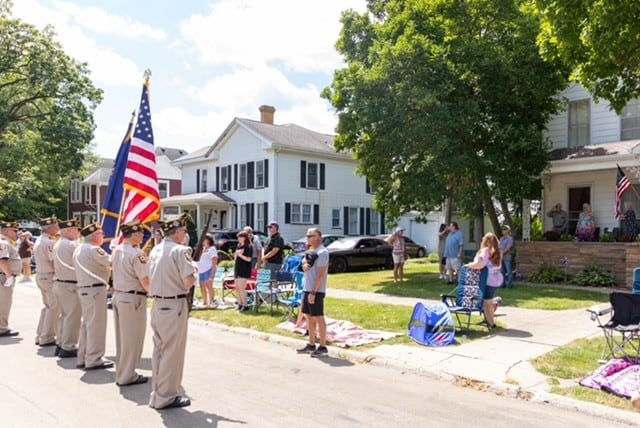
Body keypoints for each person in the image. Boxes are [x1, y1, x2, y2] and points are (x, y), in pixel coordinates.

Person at [148, 213, 197, 409]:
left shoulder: (155, 250)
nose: (185, 234)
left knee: (159, 350)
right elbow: (188, 281)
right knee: (172, 352)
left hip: (158, 303)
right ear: (177, 232)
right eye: (183, 230)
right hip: (174, 303)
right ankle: (166, 396)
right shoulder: (180, 250)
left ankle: (157, 392)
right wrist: (194, 267)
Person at [111, 220, 150, 386]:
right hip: (133, 297)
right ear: (134, 235)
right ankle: (128, 375)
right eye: (140, 233)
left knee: (122, 339)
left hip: (120, 295)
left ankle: (122, 372)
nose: (142, 235)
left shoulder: (118, 250)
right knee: (133, 339)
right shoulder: (137, 254)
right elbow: (145, 280)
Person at [73, 223, 112, 370]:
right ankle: (94, 359)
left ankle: (83, 356)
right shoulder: (95, 249)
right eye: (101, 233)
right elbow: (112, 262)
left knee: (87, 325)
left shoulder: (80, 248)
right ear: (94, 236)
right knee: (96, 326)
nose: (103, 236)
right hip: (95, 291)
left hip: (85, 289)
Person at [296, 227, 330, 357]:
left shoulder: (322, 252)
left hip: (316, 290)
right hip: (307, 288)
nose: (308, 238)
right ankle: (311, 344)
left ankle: (323, 346)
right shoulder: (311, 252)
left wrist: (314, 292)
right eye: (307, 236)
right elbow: (304, 267)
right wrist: (304, 266)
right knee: (308, 316)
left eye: (311, 235)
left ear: (319, 237)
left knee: (318, 317)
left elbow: (321, 275)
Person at [52, 219, 82, 358]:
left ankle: (61, 342)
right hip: (70, 284)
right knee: (72, 316)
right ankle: (68, 346)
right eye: (77, 230)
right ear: (69, 231)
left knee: (64, 316)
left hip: (60, 283)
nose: (79, 233)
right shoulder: (70, 245)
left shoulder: (59, 243)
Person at [33, 216, 60, 347]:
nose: (58, 229)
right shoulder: (50, 243)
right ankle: (47, 336)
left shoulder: (40, 240)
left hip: (41, 275)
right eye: (56, 227)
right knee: (54, 307)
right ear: (49, 229)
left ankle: (41, 334)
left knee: (47, 306)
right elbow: (54, 260)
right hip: (49, 276)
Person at [467, 232, 502, 329]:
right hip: (496, 279)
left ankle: (491, 323)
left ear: (485, 241)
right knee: (487, 301)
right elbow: (499, 265)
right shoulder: (498, 251)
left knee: (487, 303)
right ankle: (490, 319)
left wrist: (470, 265)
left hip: (488, 280)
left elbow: (480, 264)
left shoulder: (486, 251)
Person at [0, 221, 22, 337]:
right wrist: (9, 276)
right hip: (3, 277)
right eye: (15, 230)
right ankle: (2, 328)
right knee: (3, 304)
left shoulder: (7, 242)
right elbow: (2, 260)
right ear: (7, 231)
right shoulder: (3, 242)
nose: (17, 233)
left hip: (4, 275)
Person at [196, 234, 218, 308]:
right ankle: (205, 302)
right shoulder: (202, 249)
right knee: (202, 286)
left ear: (208, 240)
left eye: (204, 239)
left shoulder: (212, 249)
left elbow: (214, 260)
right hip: (201, 270)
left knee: (209, 286)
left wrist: (212, 272)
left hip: (208, 269)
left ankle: (212, 301)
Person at [234, 231, 253, 312]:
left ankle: (245, 305)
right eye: (238, 237)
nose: (239, 239)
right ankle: (240, 304)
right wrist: (236, 254)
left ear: (245, 238)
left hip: (244, 269)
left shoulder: (248, 247)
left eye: (240, 237)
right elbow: (235, 258)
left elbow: (249, 259)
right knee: (237, 288)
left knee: (242, 288)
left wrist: (240, 255)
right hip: (237, 268)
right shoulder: (239, 246)